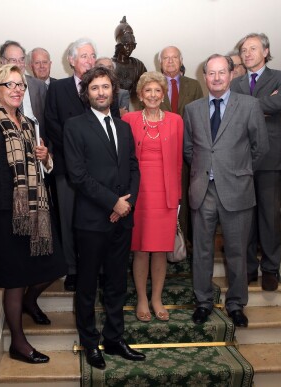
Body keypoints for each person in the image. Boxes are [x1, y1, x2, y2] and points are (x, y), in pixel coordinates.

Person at [0, 64, 66, 364]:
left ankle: (29, 301)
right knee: (15, 278)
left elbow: (42, 165)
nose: (18, 90)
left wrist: (47, 159)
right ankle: (18, 343)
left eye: (21, 85)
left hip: (37, 208)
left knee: (57, 264)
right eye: (11, 85)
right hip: (5, 211)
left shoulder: (28, 123)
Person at [64, 66, 144, 370]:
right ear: (87, 93)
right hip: (91, 222)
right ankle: (89, 343)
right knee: (86, 286)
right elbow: (79, 176)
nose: (101, 92)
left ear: (114, 91)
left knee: (116, 284)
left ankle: (114, 338)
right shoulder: (74, 126)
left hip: (122, 220)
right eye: (95, 88)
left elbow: (134, 168)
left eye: (106, 87)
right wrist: (113, 203)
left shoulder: (124, 127)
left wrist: (126, 204)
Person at [184, 54, 268, 328]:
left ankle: (236, 304)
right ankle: (203, 302)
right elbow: (189, 149)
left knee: (237, 252)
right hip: (202, 190)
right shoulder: (192, 109)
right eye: (211, 73)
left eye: (222, 72)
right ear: (204, 76)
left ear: (231, 75)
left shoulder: (249, 105)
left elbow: (260, 147)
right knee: (202, 251)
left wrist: (237, 170)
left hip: (237, 190)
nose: (217, 77)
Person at [45, 38, 120, 292]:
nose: (89, 60)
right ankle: (73, 269)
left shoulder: (105, 88)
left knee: (99, 218)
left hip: (100, 170)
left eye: (92, 55)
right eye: (84, 56)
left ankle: (98, 269)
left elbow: (114, 123)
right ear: (71, 60)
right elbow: (52, 123)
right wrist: (76, 150)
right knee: (68, 220)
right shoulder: (57, 88)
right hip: (67, 166)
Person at [231, 33, 281, 291]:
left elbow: (279, 103)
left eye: (253, 49)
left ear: (266, 51)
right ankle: (247, 269)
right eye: (244, 50)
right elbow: (232, 110)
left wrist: (247, 106)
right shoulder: (236, 83)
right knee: (245, 217)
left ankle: (270, 269)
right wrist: (261, 105)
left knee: (269, 215)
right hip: (242, 157)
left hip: (269, 156)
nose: (247, 54)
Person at [122, 71, 183, 323]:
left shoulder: (176, 121)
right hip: (139, 193)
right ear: (140, 94)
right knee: (140, 249)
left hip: (165, 193)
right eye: (148, 90)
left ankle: (157, 298)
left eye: (158, 90)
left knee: (159, 250)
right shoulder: (128, 119)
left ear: (164, 93)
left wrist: (177, 197)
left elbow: (179, 161)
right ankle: (142, 300)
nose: (153, 95)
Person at [158, 45, 203, 255]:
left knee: (188, 194)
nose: (170, 61)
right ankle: (166, 240)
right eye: (166, 58)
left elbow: (200, 118)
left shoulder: (193, 86)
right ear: (160, 63)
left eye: (174, 57)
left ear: (181, 60)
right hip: (162, 150)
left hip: (189, 149)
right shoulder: (154, 85)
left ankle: (186, 240)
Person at [0, 41, 47, 136]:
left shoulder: (39, 85)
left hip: (37, 140)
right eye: (13, 60)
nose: (19, 64)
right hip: (7, 138)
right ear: (3, 62)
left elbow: (47, 119)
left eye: (21, 59)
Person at [112, 16, 147, 103]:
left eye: (132, 46)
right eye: (126, 45)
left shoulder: (139, 65)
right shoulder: (109, 65)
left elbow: (147, 87)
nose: (129, 48)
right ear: (119, 45)